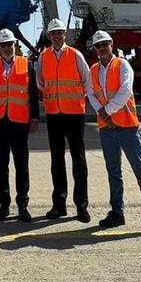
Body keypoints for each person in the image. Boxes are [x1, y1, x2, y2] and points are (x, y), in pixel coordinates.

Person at [88, 30, 141, 239]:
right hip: (107, 128)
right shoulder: (93, 70)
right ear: (95, 49)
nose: (102, 48)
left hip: (127, 127)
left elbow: (125, 90)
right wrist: (102, 112)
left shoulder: (123, 65)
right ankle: (117, 212)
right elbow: (91, 93)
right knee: (113, 172)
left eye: (105, 44)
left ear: (111, 44)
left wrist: (107, 110)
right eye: (98, 46)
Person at [0, 29, 40, 221]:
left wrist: (35, 118)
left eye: (10, 44)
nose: (7, 48)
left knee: (22, 166)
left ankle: (22, 205)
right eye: (3, 45)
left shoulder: (27, 65)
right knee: (1, 166)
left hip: (20, 122)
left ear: (15, 45)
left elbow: (33, 94)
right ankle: (4, 205)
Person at [37, 18, 92, 222]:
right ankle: (59, 205)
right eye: (53, 33)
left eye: (59, 32)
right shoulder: (44, 57)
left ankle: (82, 206)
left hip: (74, 114)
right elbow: (40, 82)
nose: (57, 36)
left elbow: (87, 81)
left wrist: (76, 99)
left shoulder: (75, 55)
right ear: (49, 36)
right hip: (54, 115)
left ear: (64, 34)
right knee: (57, 161)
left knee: (79, 161)